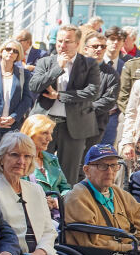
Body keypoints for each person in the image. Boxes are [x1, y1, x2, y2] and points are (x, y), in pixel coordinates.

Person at [29, 25, 101, 186]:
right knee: (37, 168)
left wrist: (60, 96)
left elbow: (93, 92)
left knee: (69, 173)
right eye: (60, 41)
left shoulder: (89, 64)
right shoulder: (45, 62)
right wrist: (58, 68)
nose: (62, 45)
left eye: (67, 42)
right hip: (45, 124)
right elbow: (34, 86)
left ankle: (65, 206)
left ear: (77, 43)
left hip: (74, 125)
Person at [0, 41, 33, 148]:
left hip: (14, 127)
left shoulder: (24, 74)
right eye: (8, 49)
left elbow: (27, 99)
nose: (11, 52)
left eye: (15, 51)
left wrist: (14, 117)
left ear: (18, 55)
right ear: (1, 51)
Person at [21, 112, 68, 202]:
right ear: (31, 133)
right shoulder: (19, 161)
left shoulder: (52, 159)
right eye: (44, 133)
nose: (50, 138)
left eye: (50, 134)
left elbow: (65, 188)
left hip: (58, 211)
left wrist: (57, 202)